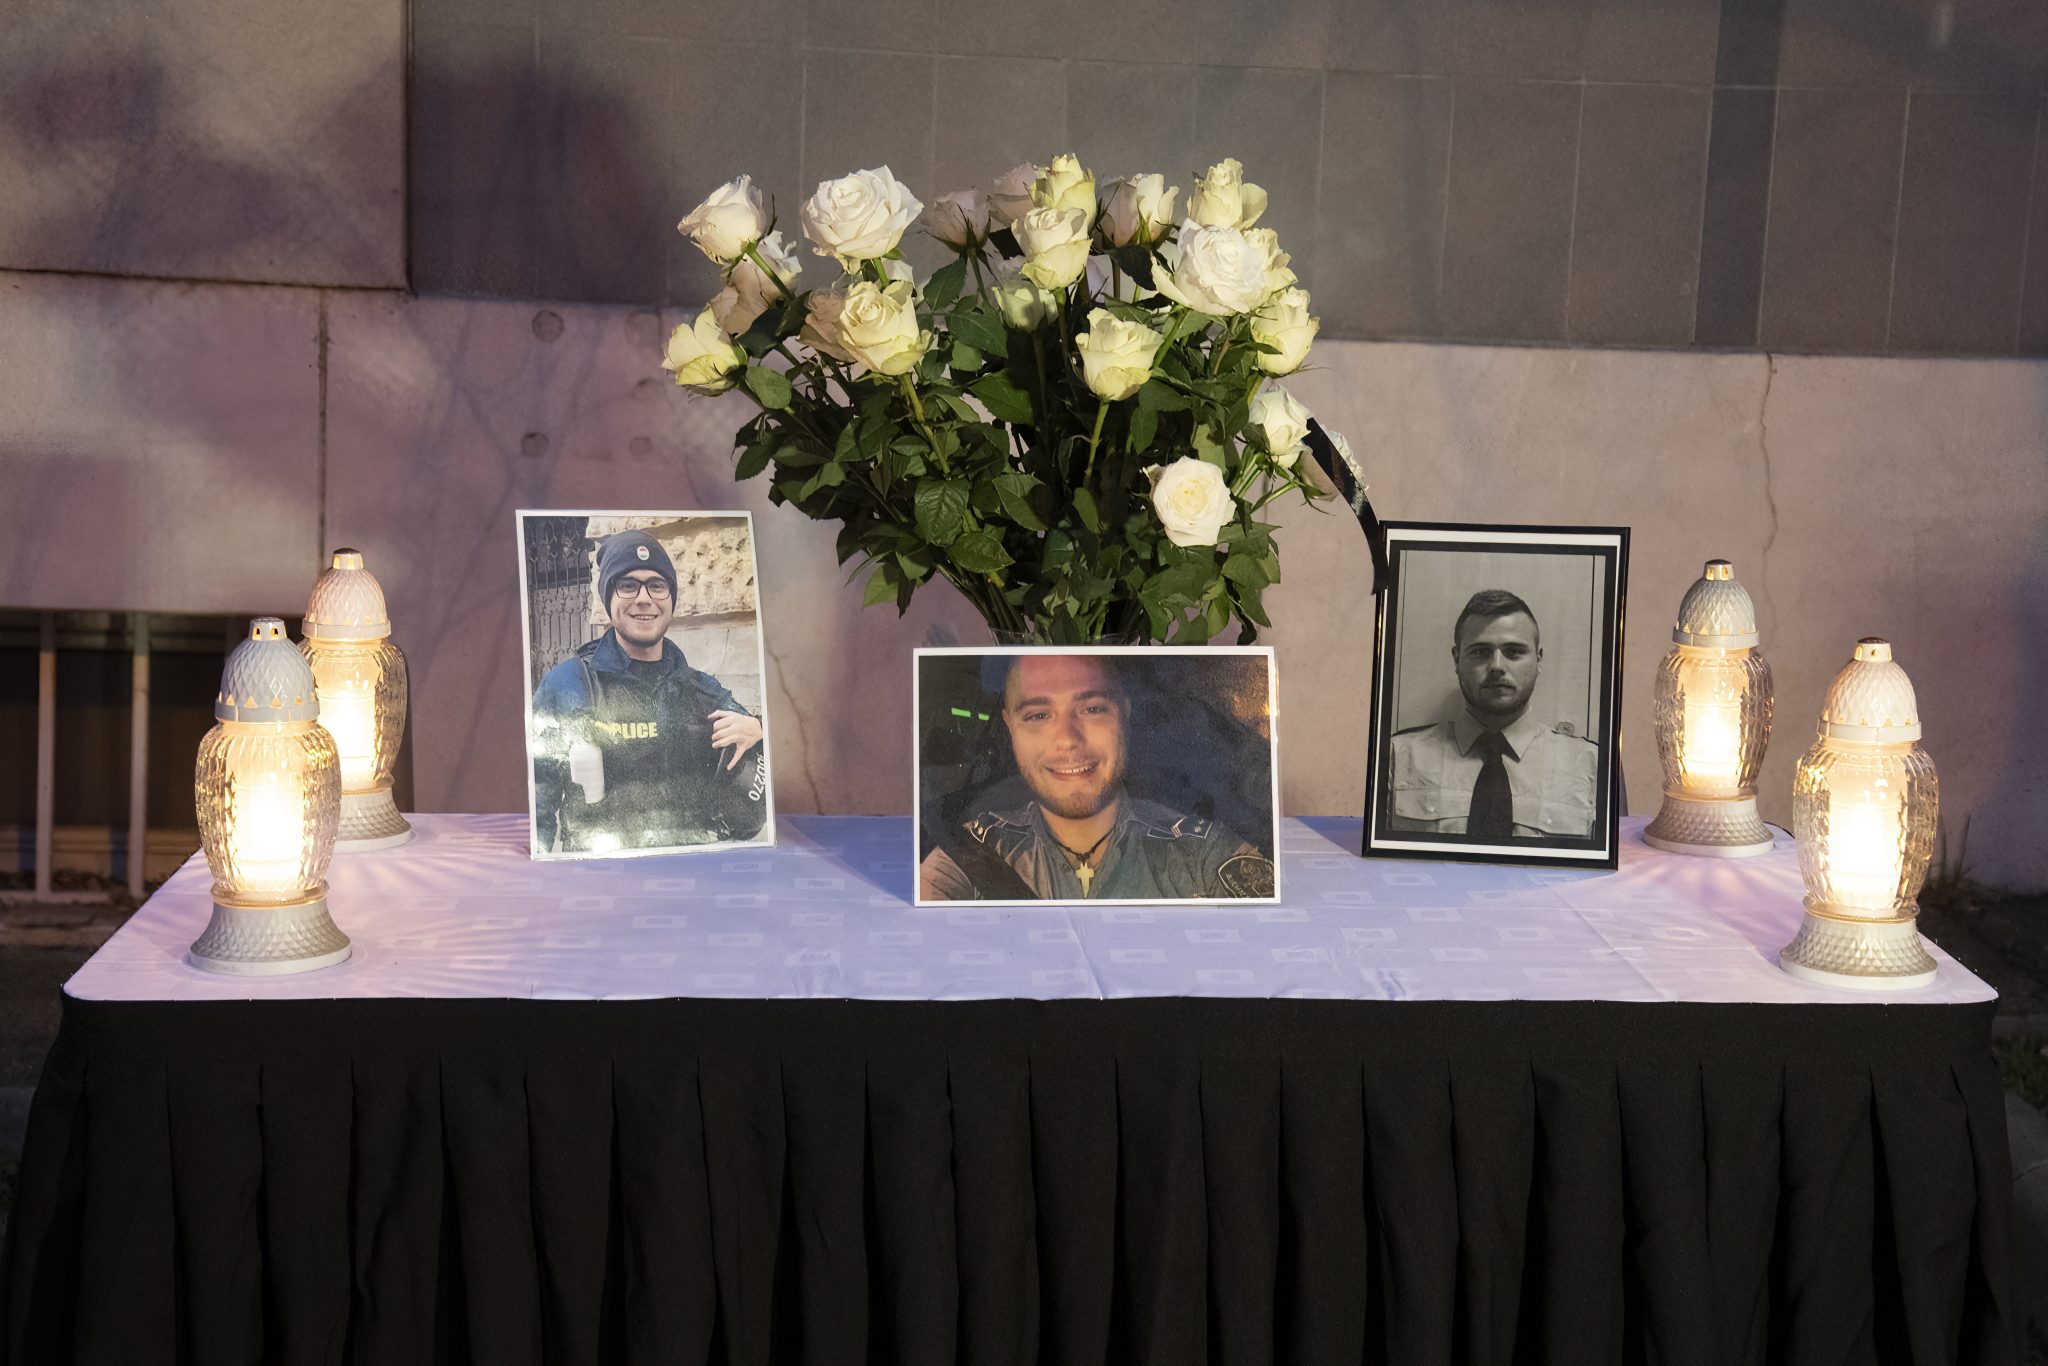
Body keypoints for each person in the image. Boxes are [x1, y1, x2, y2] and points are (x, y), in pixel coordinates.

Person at [918, 653, 1275, 900]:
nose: (1067, 740)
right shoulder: (970, 853)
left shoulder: (1202, 851)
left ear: (1124, 713)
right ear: (1010, 727)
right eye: (1038, 715)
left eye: (1092, 709)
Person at [530, 529, 767, 853]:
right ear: (608, 598)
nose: (644, 598)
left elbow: (763, 750)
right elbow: (537, 805)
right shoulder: (565, 686)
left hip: (690, 865)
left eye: (657, 585)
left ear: (671, 599)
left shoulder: (702, 690)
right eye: (628, 585)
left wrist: (759, 729)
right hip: (602, 870)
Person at [1387, 588, 1599, 840]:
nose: (1497, 666)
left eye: (1514, 652)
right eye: (1480, 652)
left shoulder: (1591, 764)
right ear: (1456, 659)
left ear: (1538, 660)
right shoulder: (1397, 757)